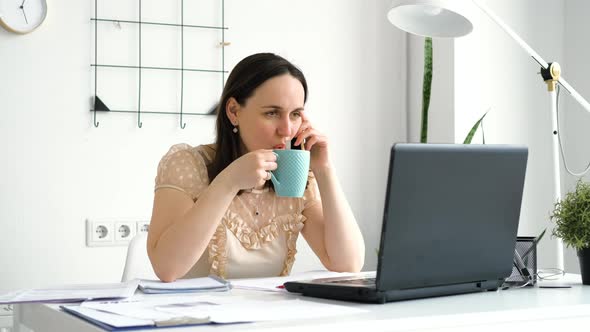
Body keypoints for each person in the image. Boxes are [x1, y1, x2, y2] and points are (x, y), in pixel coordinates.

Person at [147, 53, 365, 282]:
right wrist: (229, 182)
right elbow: (167, 269)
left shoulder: (293, 174)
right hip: (197, 315)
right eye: (272, 113)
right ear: (233, 111)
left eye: (295, 114)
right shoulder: (188, 164)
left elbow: (347, 264)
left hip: (268, 316)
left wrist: (325, 169)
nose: (287, 130)